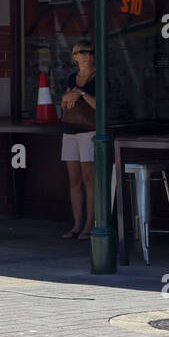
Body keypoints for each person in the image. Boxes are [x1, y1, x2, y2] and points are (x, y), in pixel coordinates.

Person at [60, 39, 97, 240]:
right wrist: (69, 97)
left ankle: (90, 225)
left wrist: (81, 93)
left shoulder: (98, 77)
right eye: (82, 52)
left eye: (91, 53)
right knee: (74, 180)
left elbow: (99, 105)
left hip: (89, 131)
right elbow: (64, 104)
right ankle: (76, 223)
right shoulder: (71, 77)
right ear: (75, 56)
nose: (87, 56)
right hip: (70, 130)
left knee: (89, 179)